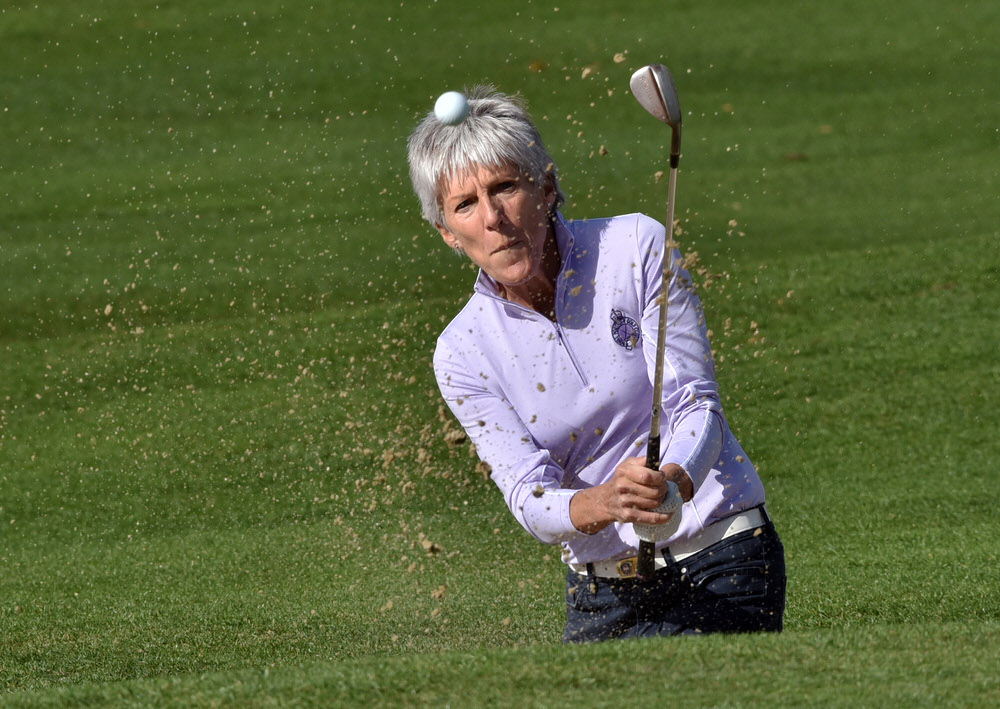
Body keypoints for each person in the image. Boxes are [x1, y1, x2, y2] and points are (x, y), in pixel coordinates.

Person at [407, 85, 786, 642]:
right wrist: (605, 501)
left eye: (505, 187)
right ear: (446, 232)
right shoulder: (462, 351)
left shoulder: (633, 247)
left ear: (547, 187)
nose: (493, 218)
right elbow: (528, 496)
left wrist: (671, 483)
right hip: (600, 594)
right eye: (465, 204)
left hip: (720, 556)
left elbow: (696, 404)